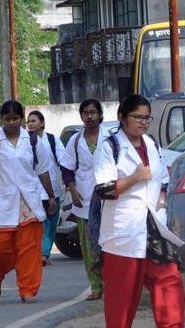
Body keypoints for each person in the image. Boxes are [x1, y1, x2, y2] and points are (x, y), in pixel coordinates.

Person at [94, 94, 184, 328]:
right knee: (122, 301)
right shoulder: (110, 146)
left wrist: (161, 203)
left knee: (169, 280)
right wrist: (134, 178)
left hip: (153, 227)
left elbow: (163, 179)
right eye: (137, 117)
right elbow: (103, 189)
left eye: (147, 118)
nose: (143, 122)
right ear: (122, 118)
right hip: (123, 233)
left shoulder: (152, 143)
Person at [0, 100, 56, 303]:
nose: (11, 122)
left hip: (28, 201)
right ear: (2, 119)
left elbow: (43, 170)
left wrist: (51, 196)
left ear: (22, 119)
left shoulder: (32, 140)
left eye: (16, 118)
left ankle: (28, 289)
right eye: (8, 118)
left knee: (29, 248)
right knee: (0, 250)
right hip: (1, 203)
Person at [60, 99, 107, 301]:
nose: (89, 116)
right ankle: (96, 286)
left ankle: (111, 284)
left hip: (107, 198)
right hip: (85, 199)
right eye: (86, 113)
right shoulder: (76, 140)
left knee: (107, 243)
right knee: (89, 246)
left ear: (99, 114)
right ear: (81, 116)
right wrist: (73, 191)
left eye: (93, 112)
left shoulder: (110, 137)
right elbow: (67, 169)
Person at [26, 110, 65, 266]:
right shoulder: (25, 141)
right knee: (42, 224)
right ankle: (42, 253)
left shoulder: (52, 140)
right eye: (28, 121)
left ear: (42, 123)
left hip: (52, 189)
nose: (30, 124)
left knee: (52, 224)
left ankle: (44, 253)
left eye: (34, 120)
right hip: (34, 191)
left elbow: (63, 159)